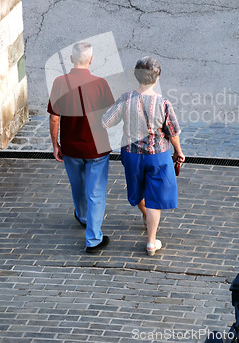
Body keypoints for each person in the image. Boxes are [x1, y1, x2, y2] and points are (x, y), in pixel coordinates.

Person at [102, 56, 185, 256]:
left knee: (137, 189)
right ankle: (150, 242)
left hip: (131, 154)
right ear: (157, 79)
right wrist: (179, 152)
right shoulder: (163, 103)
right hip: (158, 155)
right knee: (155, 197)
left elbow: (106, 122)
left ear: (136, 76)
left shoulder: (125, 99)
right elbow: (172, 132)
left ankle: (146, 215)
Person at [47, 41, 114, 254]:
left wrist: (55, 143)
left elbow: (54, 118)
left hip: (71, 147)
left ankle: (83, 216)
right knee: (96, 191)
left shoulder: (59, 82)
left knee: (77, 184)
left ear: (71, 59)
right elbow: (109, 118)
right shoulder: (100, 83)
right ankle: (93, 238)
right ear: (91, 60)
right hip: (96, 147)